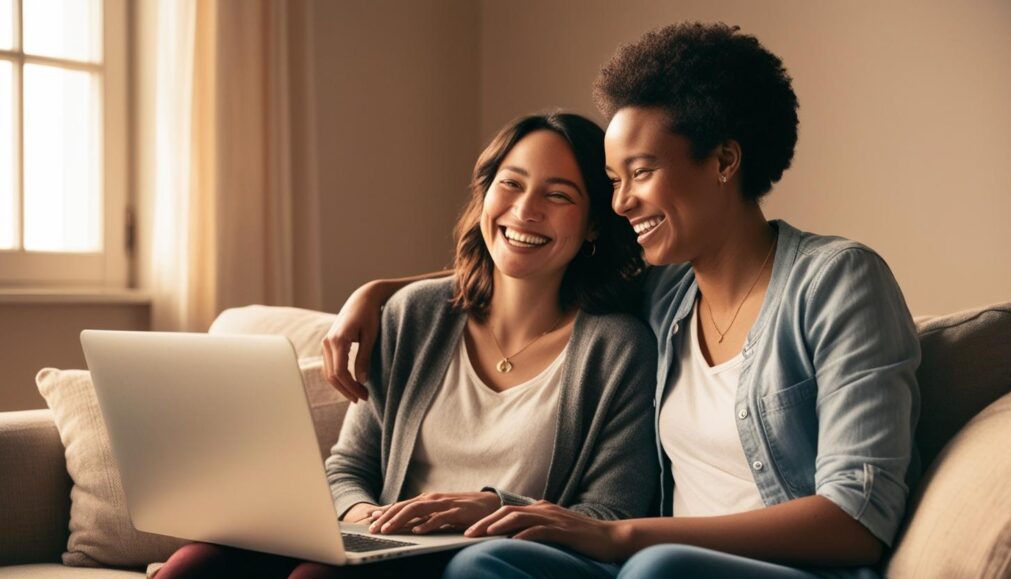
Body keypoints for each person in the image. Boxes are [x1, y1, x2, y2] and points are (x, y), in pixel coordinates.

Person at [324, 23, 921, 579]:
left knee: (657, 571)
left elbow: (857, 520)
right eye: (613, 181)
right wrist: (377, 294)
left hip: (762, 568)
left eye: (640, 173)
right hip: (642, 563)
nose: (620, 204)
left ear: (724, 161)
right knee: (487, 564)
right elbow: (532, 262)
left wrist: (624, 538)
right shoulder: (667, 293)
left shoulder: (838, 282)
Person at [156, 112, 659, 579]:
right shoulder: (413, 314)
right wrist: (362, 515)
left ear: (594, 222)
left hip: (478, 559)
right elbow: (349, 466)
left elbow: (613, 513)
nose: (525, 210)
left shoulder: (619, 349)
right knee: (193, 566)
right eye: (510, 184)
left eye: (559, 196)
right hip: (386, 541)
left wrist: (497, 506)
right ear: (485, 195)